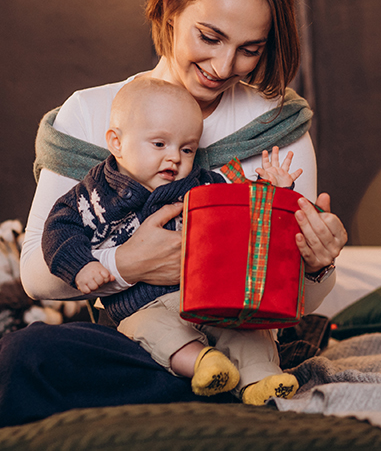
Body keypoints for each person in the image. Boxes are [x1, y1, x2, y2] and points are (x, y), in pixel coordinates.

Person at [0, 0, 347, 451]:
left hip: (230, 338)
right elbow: (37, 273)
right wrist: (129, 264)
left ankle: (222, 387)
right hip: (131, 335)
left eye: (249, 51)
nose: (223, 66)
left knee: (29, 357)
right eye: (210, 37)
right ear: (171, 5)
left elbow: (292, 299)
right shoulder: (92, 113)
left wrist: (317, 265)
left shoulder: (276, 131)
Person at [42, 77, 304, 405]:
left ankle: (261, 380)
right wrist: (82, 266)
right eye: (159, 144)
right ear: (117, 142)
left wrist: (273, 190)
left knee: (247, 331)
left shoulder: (202, 185)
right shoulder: (95, 195)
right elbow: (58, 230)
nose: (175, 159)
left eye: (187, 149)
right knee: (154, 331)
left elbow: (245, 214)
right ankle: (203, 364)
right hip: (142, 304)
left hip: (209, 300)